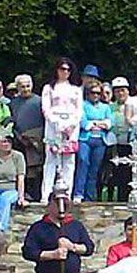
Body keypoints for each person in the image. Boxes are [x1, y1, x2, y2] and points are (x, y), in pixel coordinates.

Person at [40, 58, 83, 201]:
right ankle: (46, 194)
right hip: (53, 125)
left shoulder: (76, 89)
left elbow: (79, 110)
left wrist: (71, 125)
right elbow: (46, 108)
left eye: (68, 69)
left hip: (71, 125)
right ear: (56, 70)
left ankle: (67, 194)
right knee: (51, 159)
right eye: (62, 69)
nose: (65, 72)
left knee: (69, 160)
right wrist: (57, 124)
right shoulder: (49, 88)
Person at [9, 75, 45, 201]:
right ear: (18, 87)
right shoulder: (13, 103)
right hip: (19, 141)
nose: (25, 89)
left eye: (27, 86)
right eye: (22, 86)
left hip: (37, 141)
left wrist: (35, 137)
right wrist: (19, 137)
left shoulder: (40, 101)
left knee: (36, 170)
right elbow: (12, 121)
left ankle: (37, 196)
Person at [75, 83, 112, 202]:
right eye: (93, 93)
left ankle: (89, 197)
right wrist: (99, 123)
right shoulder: (82, 105)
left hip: (100, 140)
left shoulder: (105, 107)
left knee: (94, 169)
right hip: (85, 139)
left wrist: (95, 123)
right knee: (83, 163)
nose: (95, 95)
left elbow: (110, 122)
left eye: (98, 93)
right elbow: (84, 122)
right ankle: (78, 194)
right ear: (87, 93)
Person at [0, 134, 26, 231]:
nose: (7, 144)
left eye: (9, 141)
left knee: (5, 200)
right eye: (3, 141)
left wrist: (21, 196)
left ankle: (0, 229)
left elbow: (21, 178)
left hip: (10, 189)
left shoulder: (18, 156)